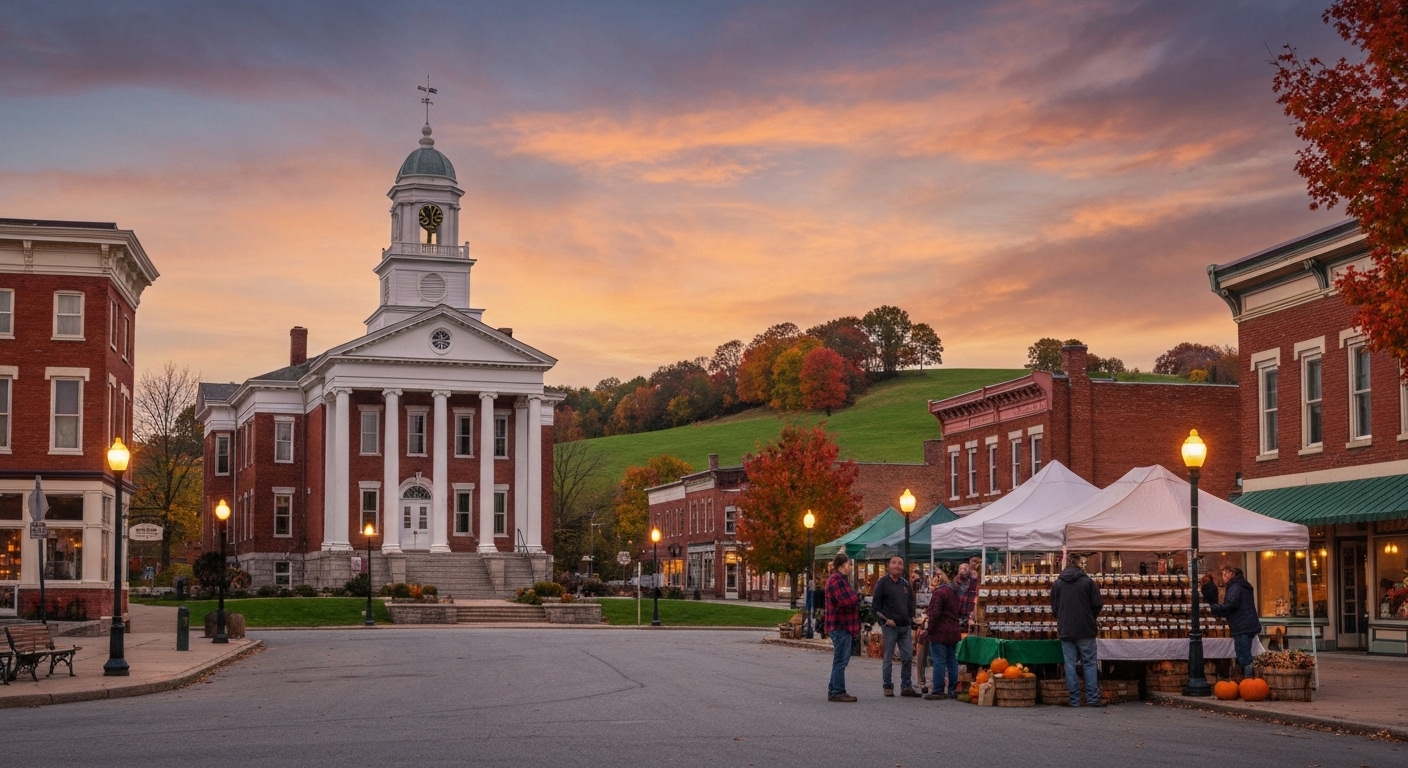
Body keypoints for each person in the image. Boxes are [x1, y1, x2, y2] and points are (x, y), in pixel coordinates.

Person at [1051, 554, 1104, 707]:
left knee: (1069, 664)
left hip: (1066, 629)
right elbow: (1097, 604)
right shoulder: (1087, 582)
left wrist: (1063, 617)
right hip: (1085, 628)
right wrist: (1089, 616)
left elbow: (1054, 609)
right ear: (1079, 565)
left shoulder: (1058, 584)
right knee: (1089, 663)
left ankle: (1074, 699)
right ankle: (1092, 698)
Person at [871, 555, 918, 697]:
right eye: (894, 563)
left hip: (905, 626)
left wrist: (911, 618)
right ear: (888, 566)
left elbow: (911, 604)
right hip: (890, 626)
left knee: (908, 656)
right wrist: (885, 620)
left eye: (900, 563)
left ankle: (906, 686)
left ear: (903, 567)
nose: (897, 566)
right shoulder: (883, 583)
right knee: (888, 657)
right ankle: (887, 685)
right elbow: (875, 607)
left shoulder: (905, 584)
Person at [1210, 566, 1261, 677]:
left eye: (1224, 574)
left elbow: (1231, 604)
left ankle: (1249, 681)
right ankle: (1248, 680)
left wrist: (1213, 609)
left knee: (1244, 656)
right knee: (1245, 654)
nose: (1223, 577)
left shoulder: (1235, 587)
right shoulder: (1242, 585)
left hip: (1241, 625)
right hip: (1248, 624)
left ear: (1230, 573)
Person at [823, 552, 860, 702]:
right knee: (841, 660)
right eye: (848, 564)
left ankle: (834, 688)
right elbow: (847, 600)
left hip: (843, 625)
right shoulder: (836, 580)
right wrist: (855, 597)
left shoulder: (841, 580)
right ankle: (838, 691)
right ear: (843, 565)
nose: (850, 567)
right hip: (840, 625)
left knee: (840, 659)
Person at [920, 570, 961, 700]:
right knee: (952, 660)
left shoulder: (938, 593)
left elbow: (935, 614)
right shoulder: (952, 592)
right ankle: (953, 689)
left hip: (941, 631)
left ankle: (938, 690)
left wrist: (930, 630)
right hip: (953, 630)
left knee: (939, 661)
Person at [954, 561, 979, 629]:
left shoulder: (974, 582)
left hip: (968, 611)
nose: (962, 571)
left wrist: (972, 615)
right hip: (957, 611)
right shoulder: (956, 581)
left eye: (964, 569)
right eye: (961, 569)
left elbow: (976, 597)